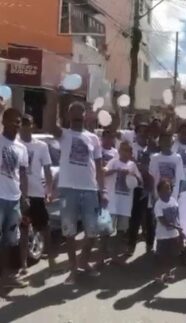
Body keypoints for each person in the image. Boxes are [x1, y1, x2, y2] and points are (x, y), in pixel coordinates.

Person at [50, 101, 107, 285]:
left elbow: (98, 167)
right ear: (68, 116)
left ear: (84, 115)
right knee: (69, 232)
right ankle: (74, 269)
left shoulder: (93, 138)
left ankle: (83, 261)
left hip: (90, 190)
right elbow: (51, 124)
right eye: (72, 112)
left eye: (79, 112)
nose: (76, 116)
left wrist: (103, 190)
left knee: (93, 232)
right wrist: (56, 97)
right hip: (68, 191)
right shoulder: (63, 134)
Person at [18, 114, 58, 275]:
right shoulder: (15, 144)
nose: (24, 126)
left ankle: (51, 260)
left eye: (27, 123)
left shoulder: (41, 146)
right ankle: (23, 265)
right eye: (22, 123)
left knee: (44, 227)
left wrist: (49, 190)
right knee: (23, 230)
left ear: (33, 125)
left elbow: (48, 169)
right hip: (20, 195)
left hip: (36, 194)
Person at [0, 108, 29, 288]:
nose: (16, 124)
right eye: (12, 120)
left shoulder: (22, 147)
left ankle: (6, 277)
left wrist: (24, 196)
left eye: (18, 121)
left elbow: (23, 173)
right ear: (3, 121)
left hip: (14, 200)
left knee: (11, 240)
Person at [101, 141, 142, 266]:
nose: (125, 152)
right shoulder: (114, 161)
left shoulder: (133, 165)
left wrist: (132, 174)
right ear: (119, 151)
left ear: (131, 153)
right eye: (123, 150)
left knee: (121, 231)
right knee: (106, 230)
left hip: (125, 205)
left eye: (128, 150)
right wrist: (116, 170)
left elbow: (140, 182)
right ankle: (102, 256)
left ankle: (115, 256)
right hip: (112, 203)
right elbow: (103, 172)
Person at [129, 122, 155, 255]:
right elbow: (131, 164)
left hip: (150, 187)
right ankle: (130, 246)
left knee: (150, 217)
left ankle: (150, 245)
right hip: (137, 187)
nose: (143, 134)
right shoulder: (132, 147)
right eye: (141, 131)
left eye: (146, 131)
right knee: (135, 217)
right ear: (136, 133)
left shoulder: (153, 148)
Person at [154, 179, 184, 283]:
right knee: (162, 256)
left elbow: (178, 217)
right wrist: (177, 227)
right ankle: (159, 275)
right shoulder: (158, 204)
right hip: (163, 236)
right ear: (159, 191)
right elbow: (163, 221)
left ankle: (168, 274)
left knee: (172, 255)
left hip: (174, 235)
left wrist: (179, 229)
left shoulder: (174, 201)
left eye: (169, 188)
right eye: (165, 189)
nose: (168, 191)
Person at [149, 131, 185, 201]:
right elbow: (151, 178)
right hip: (158, 196)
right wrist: (152, 195)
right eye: (164, 141)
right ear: (159, 142)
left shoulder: (178, 158)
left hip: (173, 197)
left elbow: (181, 179)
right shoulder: (154, 158)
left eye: (168, 141)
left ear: (172, 143)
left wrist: (179, 195)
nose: (166, 143)